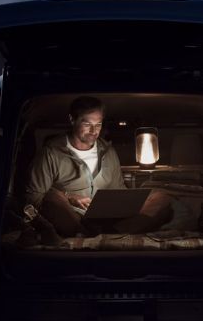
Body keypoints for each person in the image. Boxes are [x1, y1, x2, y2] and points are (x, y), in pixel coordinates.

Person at [24, 96, 171, 238]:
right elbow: (34, 198)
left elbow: (117, 189)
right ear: (72, 120)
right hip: (74, 216)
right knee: (52, 197)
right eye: (87, 124)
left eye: (98, 124)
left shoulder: (108, 151)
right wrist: (68, 197)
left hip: (110, 216)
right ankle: (83, 232)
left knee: (160, 196)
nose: (94, 131)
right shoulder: (51, 153)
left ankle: (114, 234)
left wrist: (128, 203)